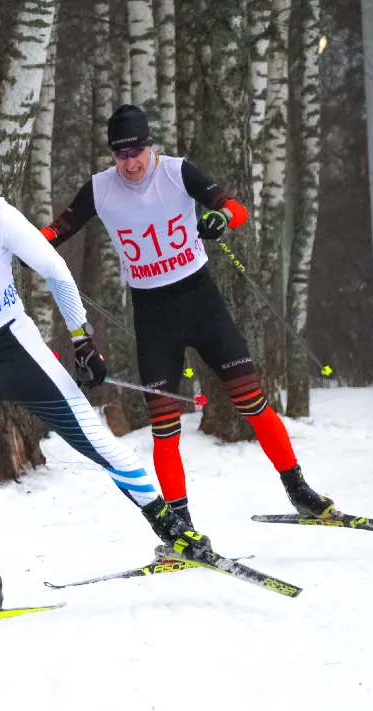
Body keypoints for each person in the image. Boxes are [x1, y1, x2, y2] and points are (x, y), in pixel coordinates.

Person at [0, 121, 213, 616]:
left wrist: (82, 339)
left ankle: (174, 531)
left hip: (16, 350)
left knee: (98, 444)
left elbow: (55, 269)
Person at [38, 104, 336, 528]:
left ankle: (299, 490)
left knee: (252, 402)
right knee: (164, 427)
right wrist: (28, 244)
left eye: (137, 151)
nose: (131, 162)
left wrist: (220, 217)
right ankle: (180, 525)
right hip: (152, 316)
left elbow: (235, 208)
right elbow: (58, 230)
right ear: (111, 154)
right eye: (121, 154)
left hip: (200, 302)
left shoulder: (176, 172)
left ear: (149, 145)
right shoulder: (100, 188)